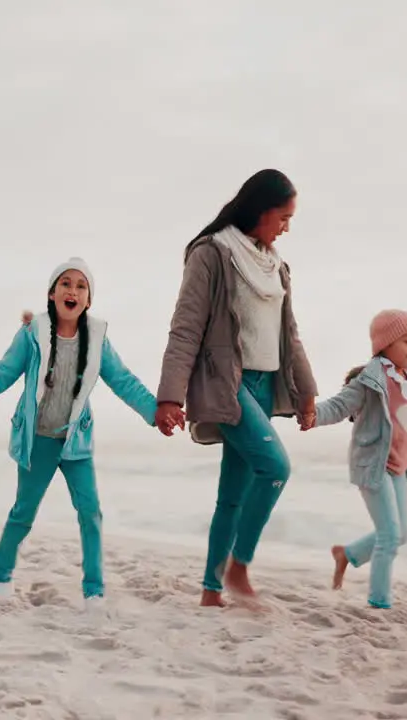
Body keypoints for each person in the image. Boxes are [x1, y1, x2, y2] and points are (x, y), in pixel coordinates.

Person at [0, 259, 161, 610]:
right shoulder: (33, 334)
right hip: (38, 440)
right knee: (23, 513)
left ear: (89, 299)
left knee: (91, 513)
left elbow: (124, 381)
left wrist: (156, 411)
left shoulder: (99, 338)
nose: (72, 291)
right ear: (51, 294)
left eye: (81, 286)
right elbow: (0, 375)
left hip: (76, 442)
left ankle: (94, 592)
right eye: (65, 284)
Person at [155, 169, 318, 607]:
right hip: (229, 384)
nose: (287, 227)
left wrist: (306, 391)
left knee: (232, 495)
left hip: (266, 386)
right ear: (261, 210)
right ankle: (237, 566)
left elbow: (291, 334)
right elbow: (186, 329)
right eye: (283, 217)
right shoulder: (211, 253)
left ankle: (211, 591)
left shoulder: (277, 266)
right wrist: (170, 395)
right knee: (276, 468)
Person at [303, 310, 407, 609]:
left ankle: (347, 555)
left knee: (400, 534)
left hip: (398, 469)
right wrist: (312, 414)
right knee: (389, 537)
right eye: (406, 341)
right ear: (385, 344)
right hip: (374, 466)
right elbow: (339, 405)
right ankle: (379, 603)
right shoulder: (372, 379)